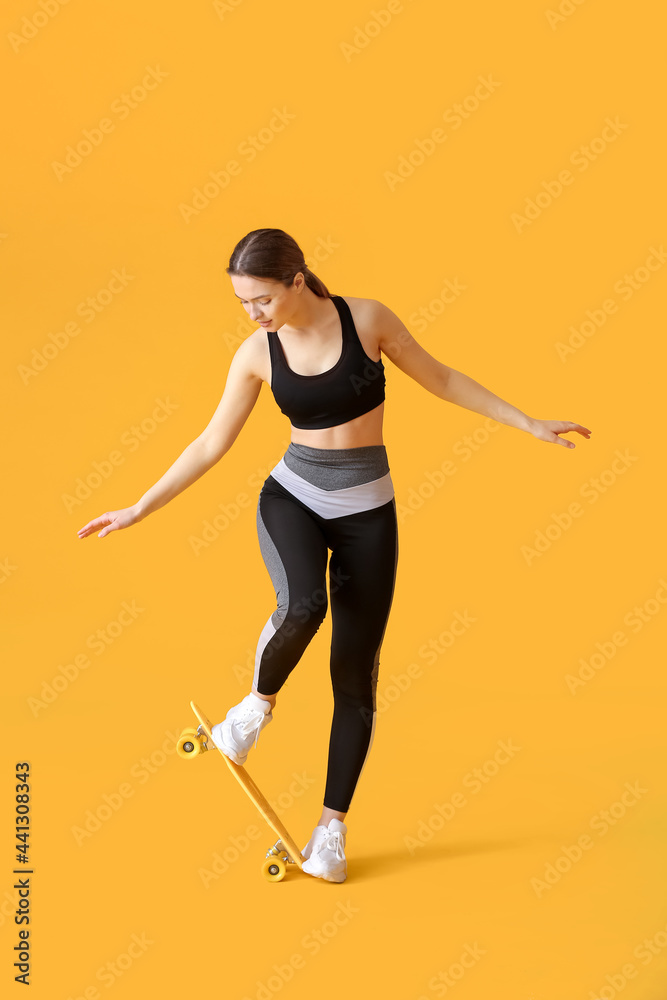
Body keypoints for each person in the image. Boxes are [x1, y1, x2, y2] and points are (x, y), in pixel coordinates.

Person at [77, 227, 591, 883]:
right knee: (302, 605)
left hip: (368, 515)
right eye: (242, 302)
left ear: (296, 280)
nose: (252, 313)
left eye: (260, 299)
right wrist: (140, 507)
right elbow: (211, 443)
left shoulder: (366, 319)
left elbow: (440, 378)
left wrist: (527, 422)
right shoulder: (256, 353)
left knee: (355, 677)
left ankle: (329, 831)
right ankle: (252, 710)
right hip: (292, 497)